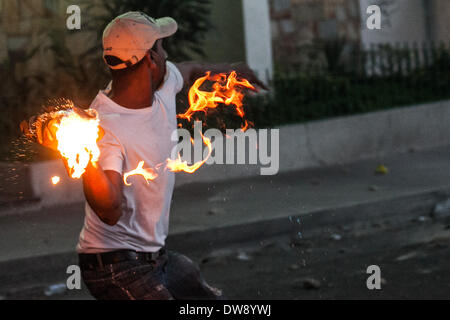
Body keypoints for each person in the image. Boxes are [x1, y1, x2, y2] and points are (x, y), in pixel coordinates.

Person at [33, 11, 266, 300]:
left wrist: (232, 70)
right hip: (113, 266)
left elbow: (192, 69)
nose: (166, 53)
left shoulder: (165, 84)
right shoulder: (105, 126)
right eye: (160, 47)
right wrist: (84, 151)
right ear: (150, 60)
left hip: (157, 260)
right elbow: (109, 209)